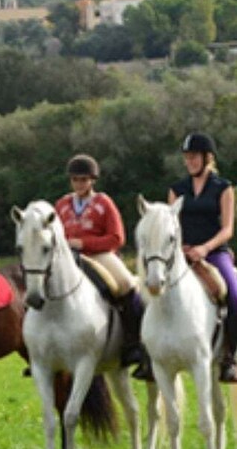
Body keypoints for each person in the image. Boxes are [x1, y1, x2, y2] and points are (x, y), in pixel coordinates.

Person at [55, 154, 151, 379]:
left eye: (83, 180)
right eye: (75, 180)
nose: (79, 184)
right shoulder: (61, 205)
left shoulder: (103, 203)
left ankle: (134, 344)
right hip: (68, 259)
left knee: (128, 285)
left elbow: (117, 238)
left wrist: (84, 243)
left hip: (100, 255)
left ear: (92, 180)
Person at [169, 132, 237, 382]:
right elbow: (171, 225)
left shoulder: (223, 187)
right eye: (187, 157)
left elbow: (228, 228)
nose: (190, 162)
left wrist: (205, 249)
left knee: (234, 294)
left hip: (214, 253)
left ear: (208, 158)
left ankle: (230, 357)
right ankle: (146, 354)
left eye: (194, 157)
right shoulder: (177, 189)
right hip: (182, 253)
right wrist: (181, 248)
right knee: (148, 292)